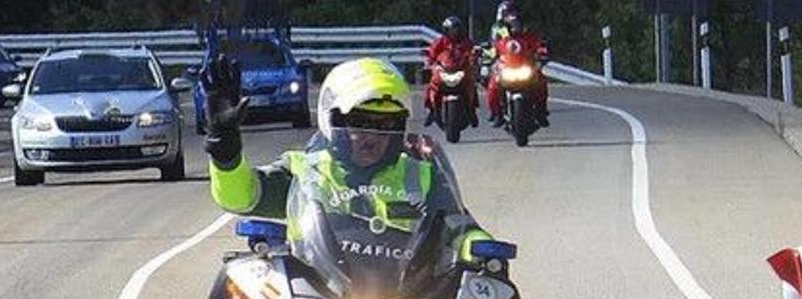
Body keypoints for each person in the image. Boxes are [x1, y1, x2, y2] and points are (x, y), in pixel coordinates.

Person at [201, 55, 492, 263]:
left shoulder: (421, 174)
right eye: (359, 123)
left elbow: (459, 226)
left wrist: (483, 249)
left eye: (386, 125)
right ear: (332, 120)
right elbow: (241, 198)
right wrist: (225, 151)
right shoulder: (305, 171)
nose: (372, 135)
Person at [485, 11, 549, 128]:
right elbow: (492, 50)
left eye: (517, 24)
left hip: (526, 68)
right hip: (508, 69)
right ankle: (497, 113)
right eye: (512, 25)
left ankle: (541, 111)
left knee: (541, 82)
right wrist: (487, 56)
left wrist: (542, 54)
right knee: (493, 86)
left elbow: (541, 46)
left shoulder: (530, 37)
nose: (515, 27)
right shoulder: (503, 40)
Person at [425, 15, 479, 128]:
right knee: (432, 86)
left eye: (457, 28)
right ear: (446, 30)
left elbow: (472, 53)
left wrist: (473, 60)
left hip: (460, 70)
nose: (455, 31)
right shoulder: (440, 42)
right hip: (445, 71)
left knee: (471, 85)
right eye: (453, 29)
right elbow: (432, 54)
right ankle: (431, 110)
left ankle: (472, 110)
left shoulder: (466, 41)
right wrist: (429, 63)